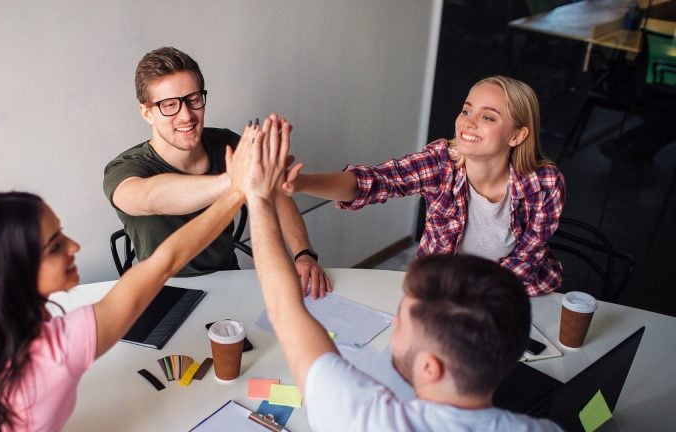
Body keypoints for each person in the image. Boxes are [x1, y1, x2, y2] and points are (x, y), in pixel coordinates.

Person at [0, 123, 262, 431]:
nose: (73, 246)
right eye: (55, 246)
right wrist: (237, 189)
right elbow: (165, 262)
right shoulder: (55, 353)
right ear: (12, 273)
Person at [243, 117, 561, 430]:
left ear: (429, 367)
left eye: (402, 323)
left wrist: (258, 198)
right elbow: (375, 180)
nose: (393, 322)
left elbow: (284, 308)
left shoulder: (366, 419)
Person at [282, 76, 566, 296]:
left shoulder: (545, 183)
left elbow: (527, 259)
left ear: (517, 136)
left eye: (488, 117)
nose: (468, 123)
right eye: (466, 111)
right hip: (440, 287)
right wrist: (301, 182)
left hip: (511, 292)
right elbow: (373, 181)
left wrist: (472, 300)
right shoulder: (441, 162)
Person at [103, 46, 331, 298]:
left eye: (193, 99)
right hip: (162, 292)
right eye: (169, 105)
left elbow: (278, 193)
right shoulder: (125, 168)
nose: (186, 115)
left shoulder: (227, 145)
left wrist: (304, 254)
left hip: (228, 280)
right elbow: (149, 197)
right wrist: (234, 181)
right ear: (147, 113)